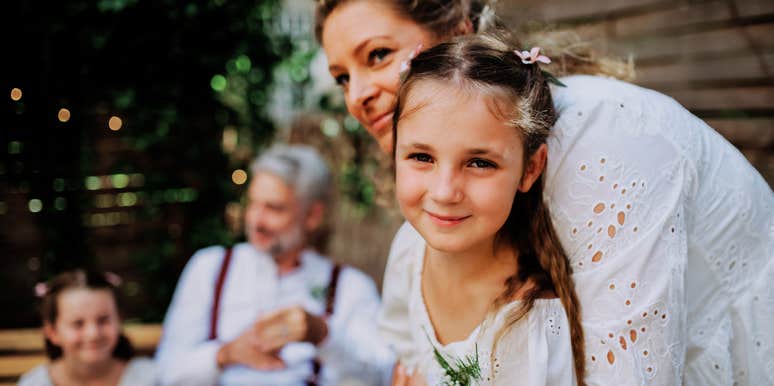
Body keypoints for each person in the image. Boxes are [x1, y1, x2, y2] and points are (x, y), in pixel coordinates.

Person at [314, 1, 774, 385]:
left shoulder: (607, 139)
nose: (356, 95)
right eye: (341, 77)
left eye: (376, 54)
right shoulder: (425, 239)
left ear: (457, 30)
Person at [393, 34, 584, 385]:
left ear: (530, 169)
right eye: (422, 157)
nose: (444, 191)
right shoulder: (408, 249)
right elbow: (401, 356)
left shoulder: (528, 320)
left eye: (479, 163)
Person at [155, 144, 394, 386]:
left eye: (274, 208)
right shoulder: (209, 268)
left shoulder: (350, 287)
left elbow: (382, 377)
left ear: (312, 216)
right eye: (253, 203)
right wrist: (225, 354)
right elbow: (166, 374)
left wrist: (323, 335)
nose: (256, 220)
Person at [19, 269, 156, 386]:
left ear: (119, 321)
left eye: (103, 320)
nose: (93, 334)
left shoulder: (149, 379)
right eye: (78, 324)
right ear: (52, 332)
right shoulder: (34, 383)